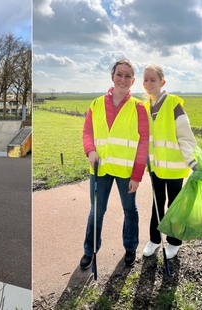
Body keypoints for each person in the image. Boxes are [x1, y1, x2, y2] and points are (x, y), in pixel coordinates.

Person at [80, 58, 149, 269]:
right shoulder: (96, 104)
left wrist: (137, 176)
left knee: (130, 210)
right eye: (120, 74)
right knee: (96, 211)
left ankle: (130, 247)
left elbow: (144, 142)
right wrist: (90, 150)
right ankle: (89, 250)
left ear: (133, 80)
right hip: (100, 168)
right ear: (113, 76)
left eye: (128, 76)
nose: (123, 79)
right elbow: (87, 132)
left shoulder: (138, 107)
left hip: (126, 171)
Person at [141, 64, 197, 259]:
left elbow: (185, 135)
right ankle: (154, 240)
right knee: (157, 203)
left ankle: (174, 242)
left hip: (174, 168)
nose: (148, 83)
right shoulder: (146, 106)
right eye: (145, 80)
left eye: (152, 80)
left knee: (174, 205)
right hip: (155, 168)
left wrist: (192, 162)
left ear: (162, 82)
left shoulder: (173, 103)